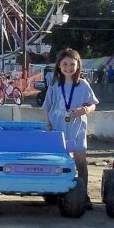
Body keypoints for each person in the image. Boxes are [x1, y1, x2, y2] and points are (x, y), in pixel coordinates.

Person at [42, 48, 99, 210]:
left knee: (80, 162)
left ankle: (84, 195)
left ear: (78, 65)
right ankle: (53, 191)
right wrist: (48, 125)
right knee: (56, 161)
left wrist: (85, 110)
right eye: (65, 64)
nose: (68, 67)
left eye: (72, 64)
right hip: (57, 128)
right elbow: (47, 107)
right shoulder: (54, 85)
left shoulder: (83, 84)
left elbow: (93, 104)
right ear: (59, 66)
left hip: (77, 128)